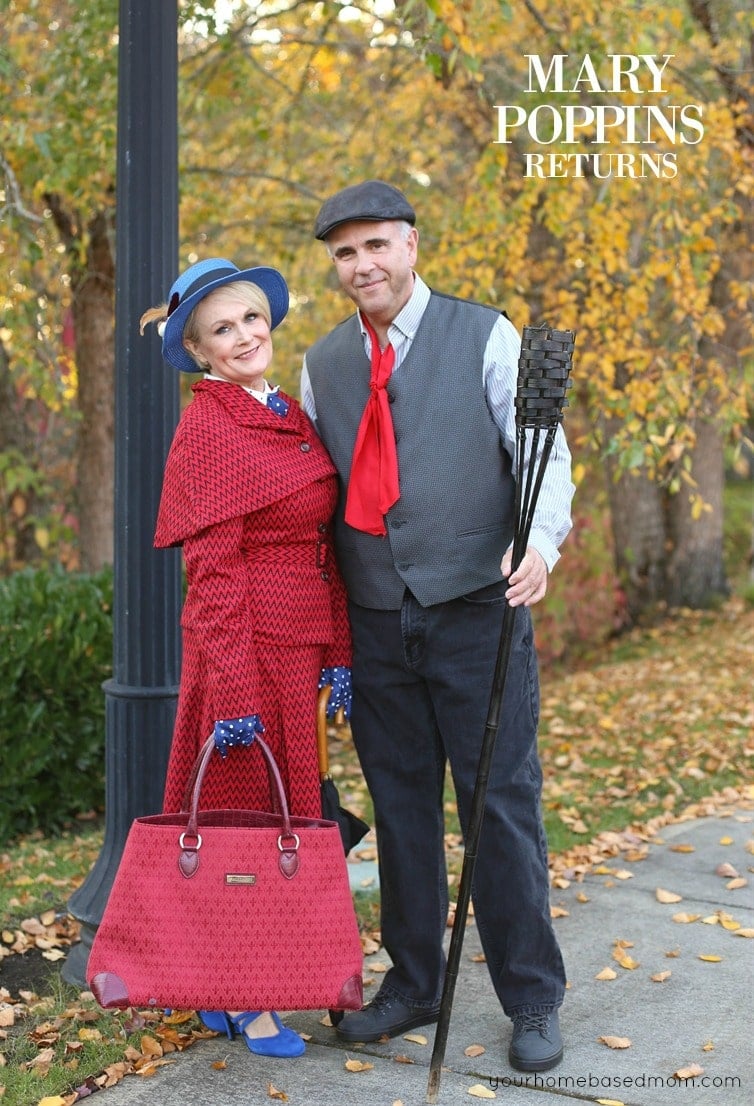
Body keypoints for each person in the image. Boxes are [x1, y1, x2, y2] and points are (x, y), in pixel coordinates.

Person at [301, 181, 575, 1073]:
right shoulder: (322, 366)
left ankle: (531, 993)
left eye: (376, 245)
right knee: (402, 809)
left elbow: (541, 451)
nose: (362, 265)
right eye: (345, 253)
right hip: (377, 621)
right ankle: (414, 983)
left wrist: (537, 544)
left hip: (476, 610)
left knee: (498, 802)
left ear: (411, 245)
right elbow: (313, 495)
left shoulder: (484, 334)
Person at [141, 258, 352, 1059]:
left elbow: (321, 548)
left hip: (299, 652)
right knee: (243, 832)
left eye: (251, 319)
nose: (243, 336)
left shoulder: (291, 414)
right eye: (221, 329)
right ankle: (247, 996)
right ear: (197, 350)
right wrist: (233, 694)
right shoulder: (209, 428)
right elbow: (216, 575)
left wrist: (340, 650)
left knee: (286, 821)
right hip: (243, 655)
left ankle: (227, 990)